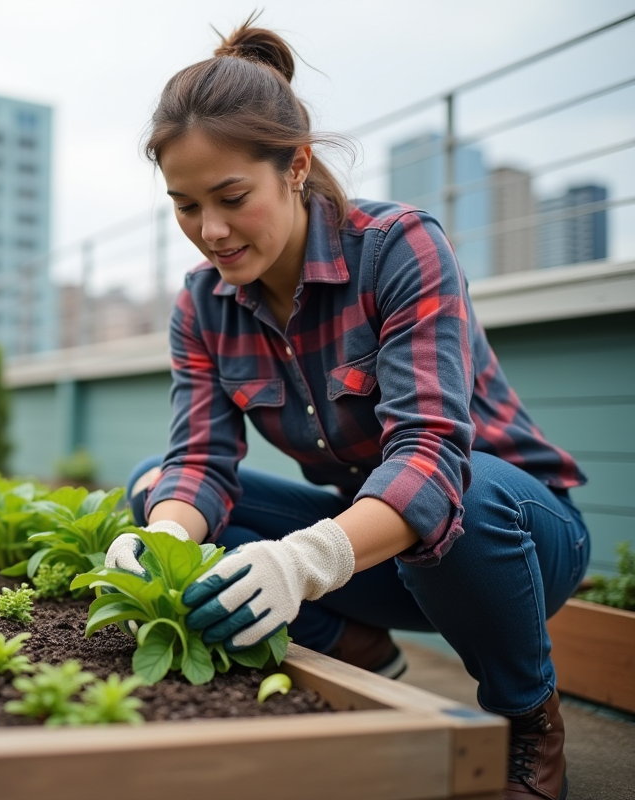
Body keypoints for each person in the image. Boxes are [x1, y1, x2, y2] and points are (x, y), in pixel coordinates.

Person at [107, 16, 590, 800]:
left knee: (459, 486)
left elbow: (431, 455)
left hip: (514, 546)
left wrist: (301, 562)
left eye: (232, 197)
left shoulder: (397, 248)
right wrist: (160, 542)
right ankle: (357, 647)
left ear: (296, 166)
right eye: (185, 206)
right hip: (380, 557)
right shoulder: (202, 305)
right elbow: (200, 461)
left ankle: (526, 719)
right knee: (152, 483)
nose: (211, 233)